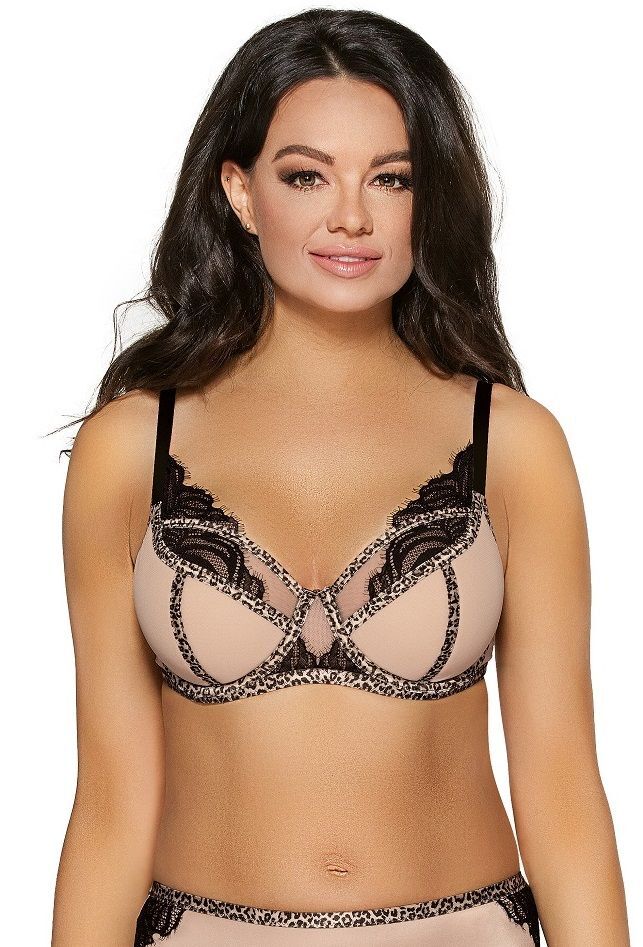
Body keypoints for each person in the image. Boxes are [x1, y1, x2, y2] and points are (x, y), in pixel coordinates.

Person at [51, 8, 630, 945]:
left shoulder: (513, 445)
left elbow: (562, 793)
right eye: (306, 175)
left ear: (427, 200)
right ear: (240, 192)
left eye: (390, 178)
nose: (351, 216)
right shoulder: (129, 449)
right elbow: (111, 803)